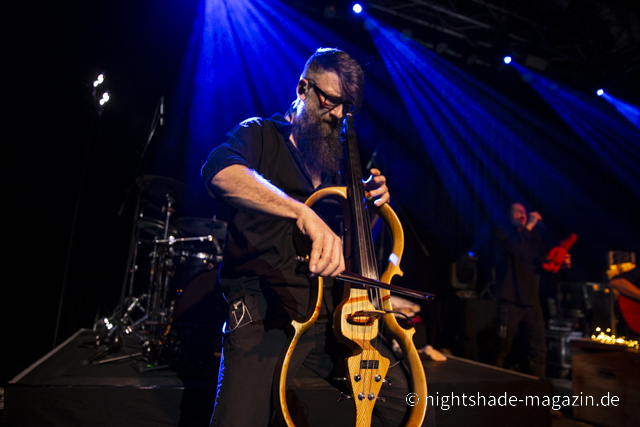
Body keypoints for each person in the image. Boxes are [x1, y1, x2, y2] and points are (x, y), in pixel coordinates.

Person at [201, 48, 428, 427]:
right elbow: (219, 172)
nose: (339, 114)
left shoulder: (337, 169)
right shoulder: (261, 134)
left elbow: (347, 253)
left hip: (327, 318)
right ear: (303, 88)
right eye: (331, 101)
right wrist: (301, 211)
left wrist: (367, 212)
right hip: (264, 311)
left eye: (347, 107)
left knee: (406, 403)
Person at [493, 203, 569, 378]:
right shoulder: (502, 232)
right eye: (517, 211)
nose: (523, 215)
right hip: (510, 299)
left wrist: (560, 264)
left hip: (531, 301)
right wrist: (529, 227)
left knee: (539, 349)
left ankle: (539, 392)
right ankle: (491, 387)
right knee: (502, 347)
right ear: (509, 215)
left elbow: (543, 263)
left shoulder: (533, 236)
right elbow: (515, 251)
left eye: (524, 212)